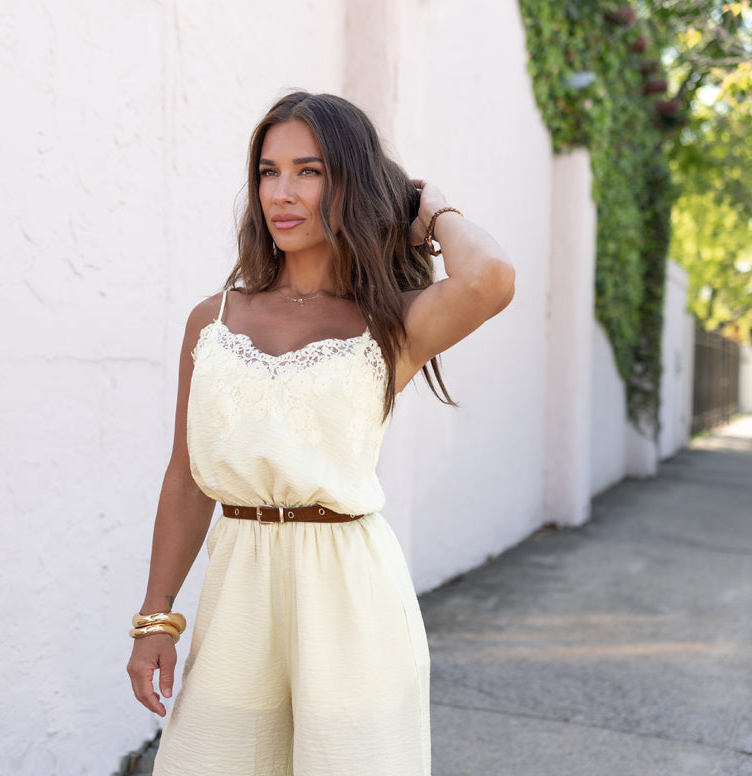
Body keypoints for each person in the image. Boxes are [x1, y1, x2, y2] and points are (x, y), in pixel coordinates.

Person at [125, 91, 515, 776]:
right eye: (268, 172)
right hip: (239, 593)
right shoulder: (212, 320)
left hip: (349, 597)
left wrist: (432, 211)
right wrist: (156, 617)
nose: (281, 193)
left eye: (309, 171)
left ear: (351, 184)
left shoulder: (391, 322)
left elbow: (490, 278)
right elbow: (186, 479)